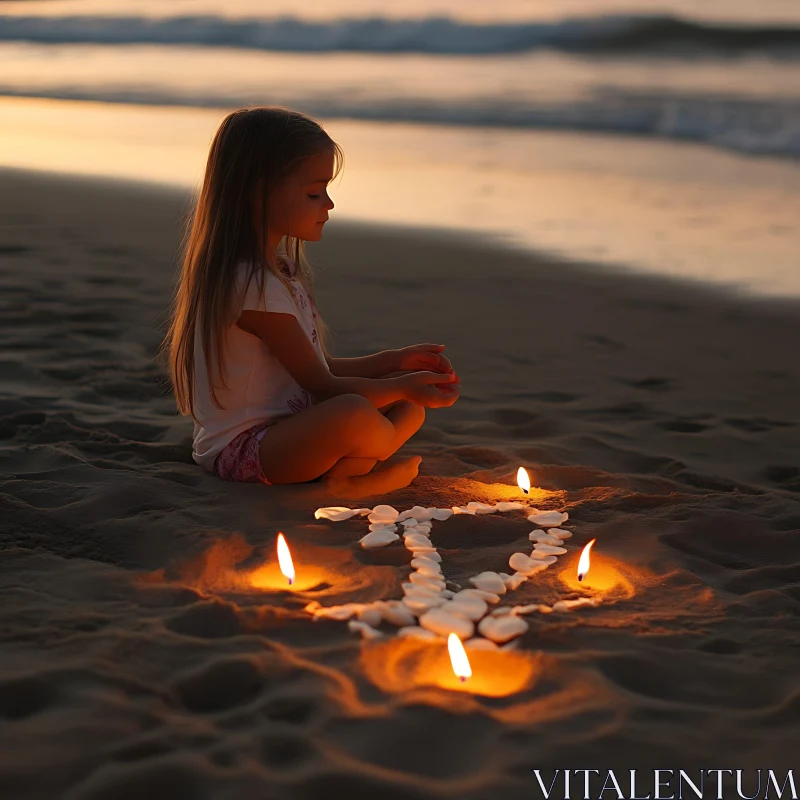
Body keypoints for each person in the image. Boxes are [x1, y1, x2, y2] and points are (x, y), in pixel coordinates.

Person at [163, 107, 460, 486]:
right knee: (355, 410)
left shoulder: (280, 271)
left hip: (293, 430)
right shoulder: (251, 286)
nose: (329, 205)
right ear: (259, 193)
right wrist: (401, 384)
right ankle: (352, 478)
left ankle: (354, 465)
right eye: (314, 193)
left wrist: (395, 363)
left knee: (406, 404)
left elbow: (321, 367)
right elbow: (322, 384)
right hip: (249, 450)